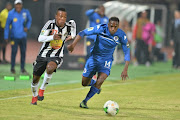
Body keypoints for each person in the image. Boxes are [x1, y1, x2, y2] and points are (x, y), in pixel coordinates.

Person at [68, 17, 130, 109]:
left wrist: (125, 68)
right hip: (94, 58)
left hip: (106, 61)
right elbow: (82, 33)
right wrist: (73, 44)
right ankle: (94, 83)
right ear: (108, 25)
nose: (113, 29)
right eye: (111, 26)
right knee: (84, 83)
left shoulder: (121, 35)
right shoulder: (101, 28)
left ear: (118, 26)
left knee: (100, 80)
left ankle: (85, 101)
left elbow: (127, 51)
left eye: (115, 27)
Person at [31, 8, 76, 105]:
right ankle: (34, 96)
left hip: (57, 55)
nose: (62, 19)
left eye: (64, 17)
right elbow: (40, 38)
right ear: (56, 16)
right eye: (60, 16)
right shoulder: (50, 24)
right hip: (43, 55)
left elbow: (73, 25)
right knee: (35, 79)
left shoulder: (68, 26)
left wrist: (72, 36)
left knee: (50, 68)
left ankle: (42, 90)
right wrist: (52, 37)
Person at [4, 0, 32, 74]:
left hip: (23, 36)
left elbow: (29, 20)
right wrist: (6, 36)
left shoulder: (25, 12)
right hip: (14, 37)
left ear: (21, 5)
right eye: (17, 5)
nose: (18, 6)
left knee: (23, 52)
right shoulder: (11, 13)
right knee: (14, 52)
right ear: (15, 5)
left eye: (19, 4)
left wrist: (27, 27)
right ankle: (12, 68)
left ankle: (22, 68)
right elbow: (7, 25)